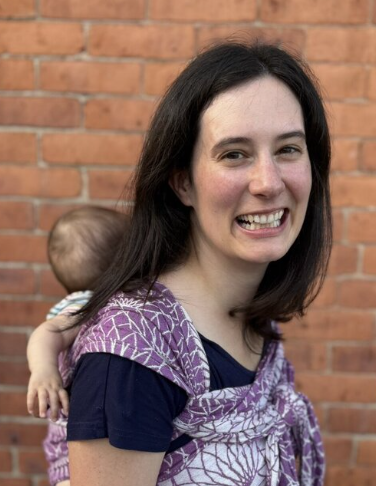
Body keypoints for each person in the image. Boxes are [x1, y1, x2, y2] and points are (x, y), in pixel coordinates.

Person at [46, 40, 332, 486]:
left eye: (288, 149)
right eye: (234, 154)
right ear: (183, 183)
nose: (268, 182)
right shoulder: (133, 356)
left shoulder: (252, 318)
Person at [27, 206, 128, 486]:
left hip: (76, 443)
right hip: (74, 448)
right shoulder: (84, 306)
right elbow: (46, 332)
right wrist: (44, 370)